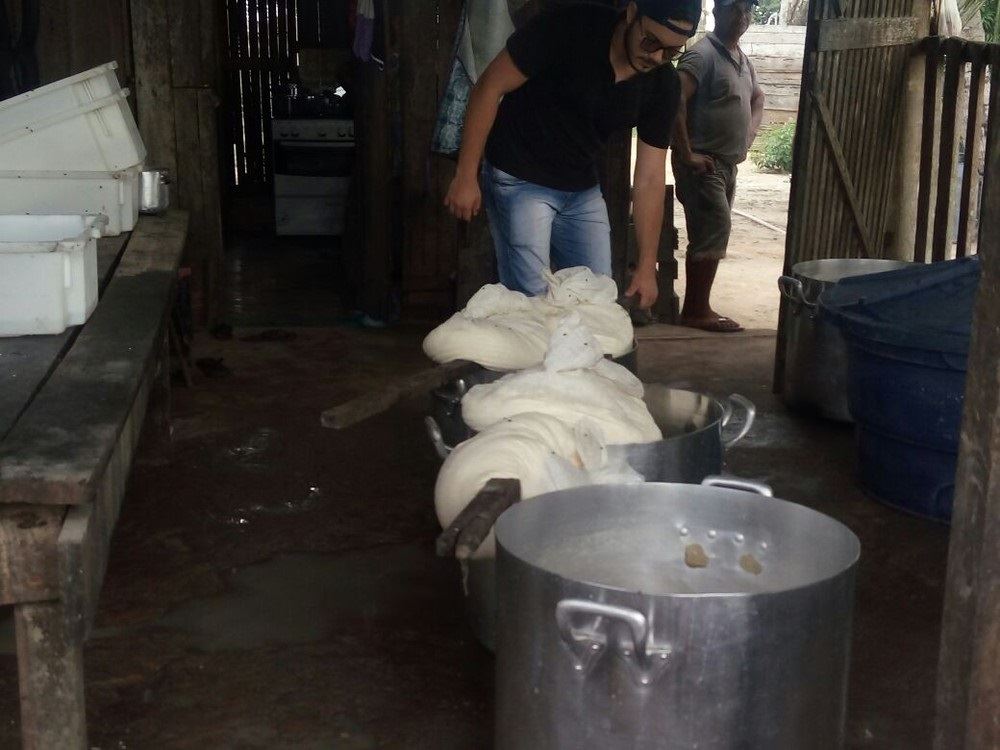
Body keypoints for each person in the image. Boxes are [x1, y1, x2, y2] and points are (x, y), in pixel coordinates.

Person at [444, 0, 702, 309]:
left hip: (580, 187)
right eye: (651, 42)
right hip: (518, 175)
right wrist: (466, 175)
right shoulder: (571, 26)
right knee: (532, 302)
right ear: (632, 14)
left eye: (671, 52)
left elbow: (649, 177)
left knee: (596, 299)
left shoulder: (663, 85)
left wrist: (647, 266)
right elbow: (489, 86)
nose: (657, 57)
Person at [672, 0, 765, 332]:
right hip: (703, 163)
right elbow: (675, 101)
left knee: (713, 230)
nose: (742, 17)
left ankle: (698, 306)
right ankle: (696, 310)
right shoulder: (702, 55)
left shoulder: (742, 59)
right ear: (717, 13)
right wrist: (686, 154)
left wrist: (748, 136)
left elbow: (758, 98)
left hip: (727, 165)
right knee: (714, 228)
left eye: (747, 10)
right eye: (734, 9)